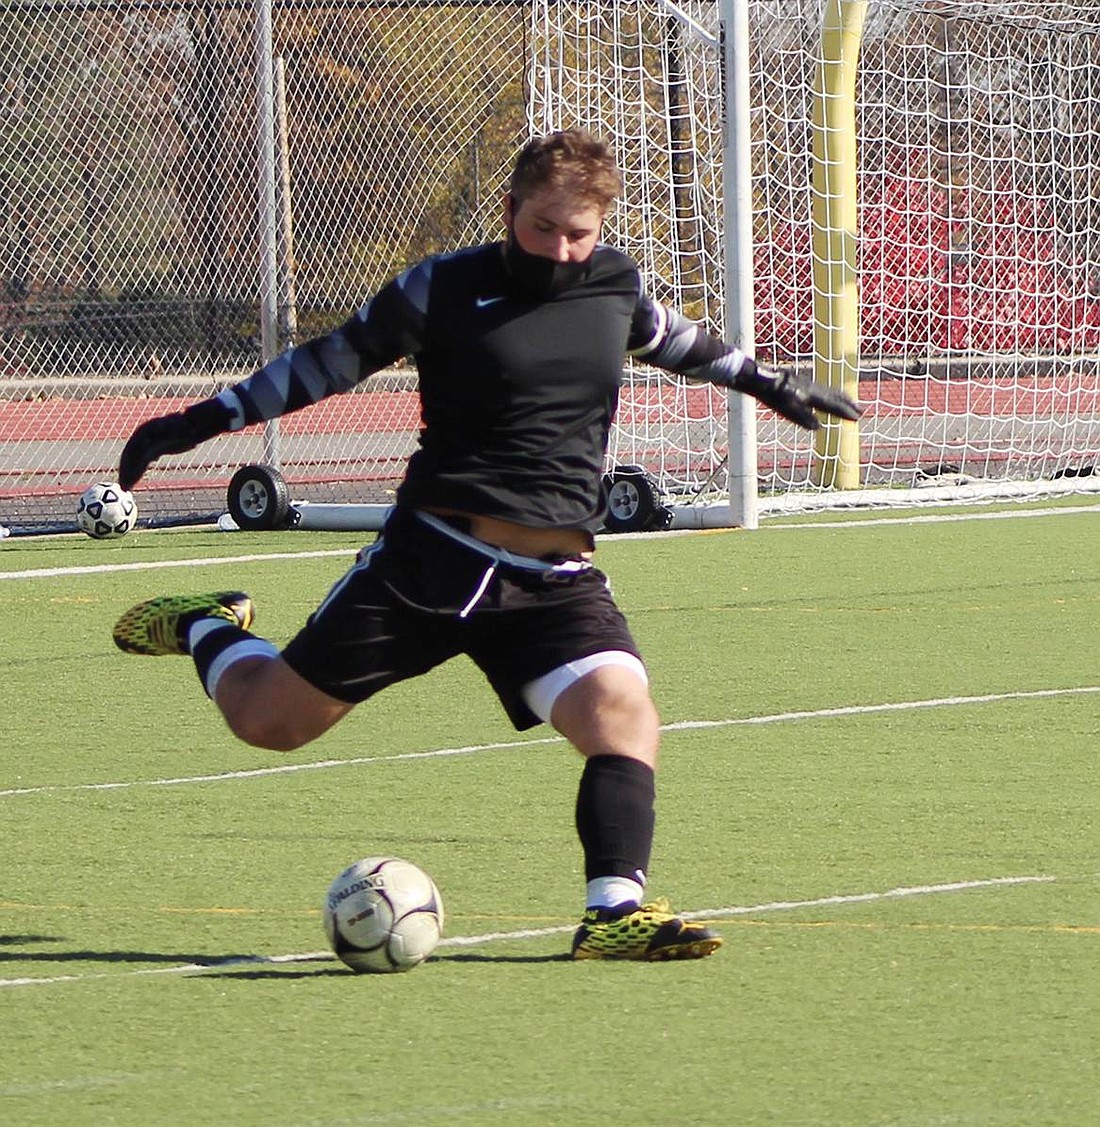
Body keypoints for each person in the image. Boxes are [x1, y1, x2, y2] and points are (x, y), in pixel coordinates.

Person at [112, 129, 860, 961]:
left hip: (553, 578)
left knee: (623, 715)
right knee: (267, 723)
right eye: (544, 228)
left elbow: (681, 342)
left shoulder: (614, 287)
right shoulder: (442, 286)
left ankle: (612, 913)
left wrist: (768, 382)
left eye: (580, 233)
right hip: (429, 561)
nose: (562, 249)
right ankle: (205, 624)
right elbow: (324, 364)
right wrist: (196, 422)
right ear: (510, 211)